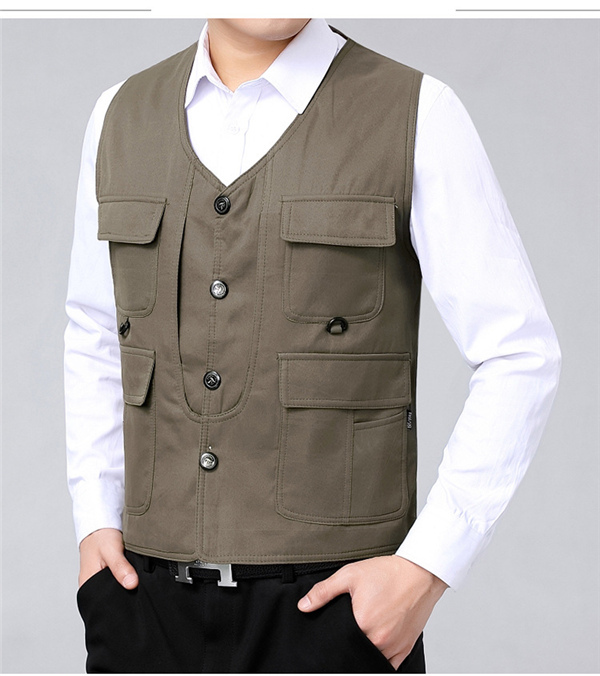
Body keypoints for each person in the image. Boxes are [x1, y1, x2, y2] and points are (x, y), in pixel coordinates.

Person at [64, 18, 561, 673]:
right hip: (145, 605)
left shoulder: (416, 112)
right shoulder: (119, 116)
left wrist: (427, 566)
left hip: (331, 613)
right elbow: (97, 332)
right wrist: (94, 521)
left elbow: (520, 353)